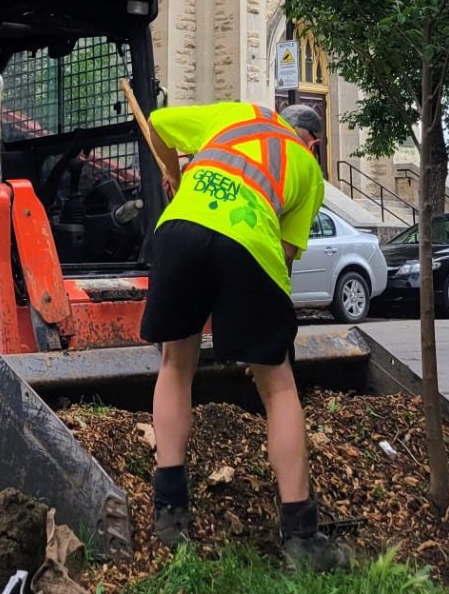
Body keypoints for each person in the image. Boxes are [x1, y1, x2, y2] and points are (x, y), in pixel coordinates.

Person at [141, 100, 351, 571]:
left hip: (179, 228)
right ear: (312, 143)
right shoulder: (309, 172)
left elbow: (157, 125)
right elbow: (287, 250)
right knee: (278, 387)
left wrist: (176, 179)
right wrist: (257, 331)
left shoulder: (237, 113)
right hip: (249, 242)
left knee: (176, 364)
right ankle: (301, 536)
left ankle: (170, 514)